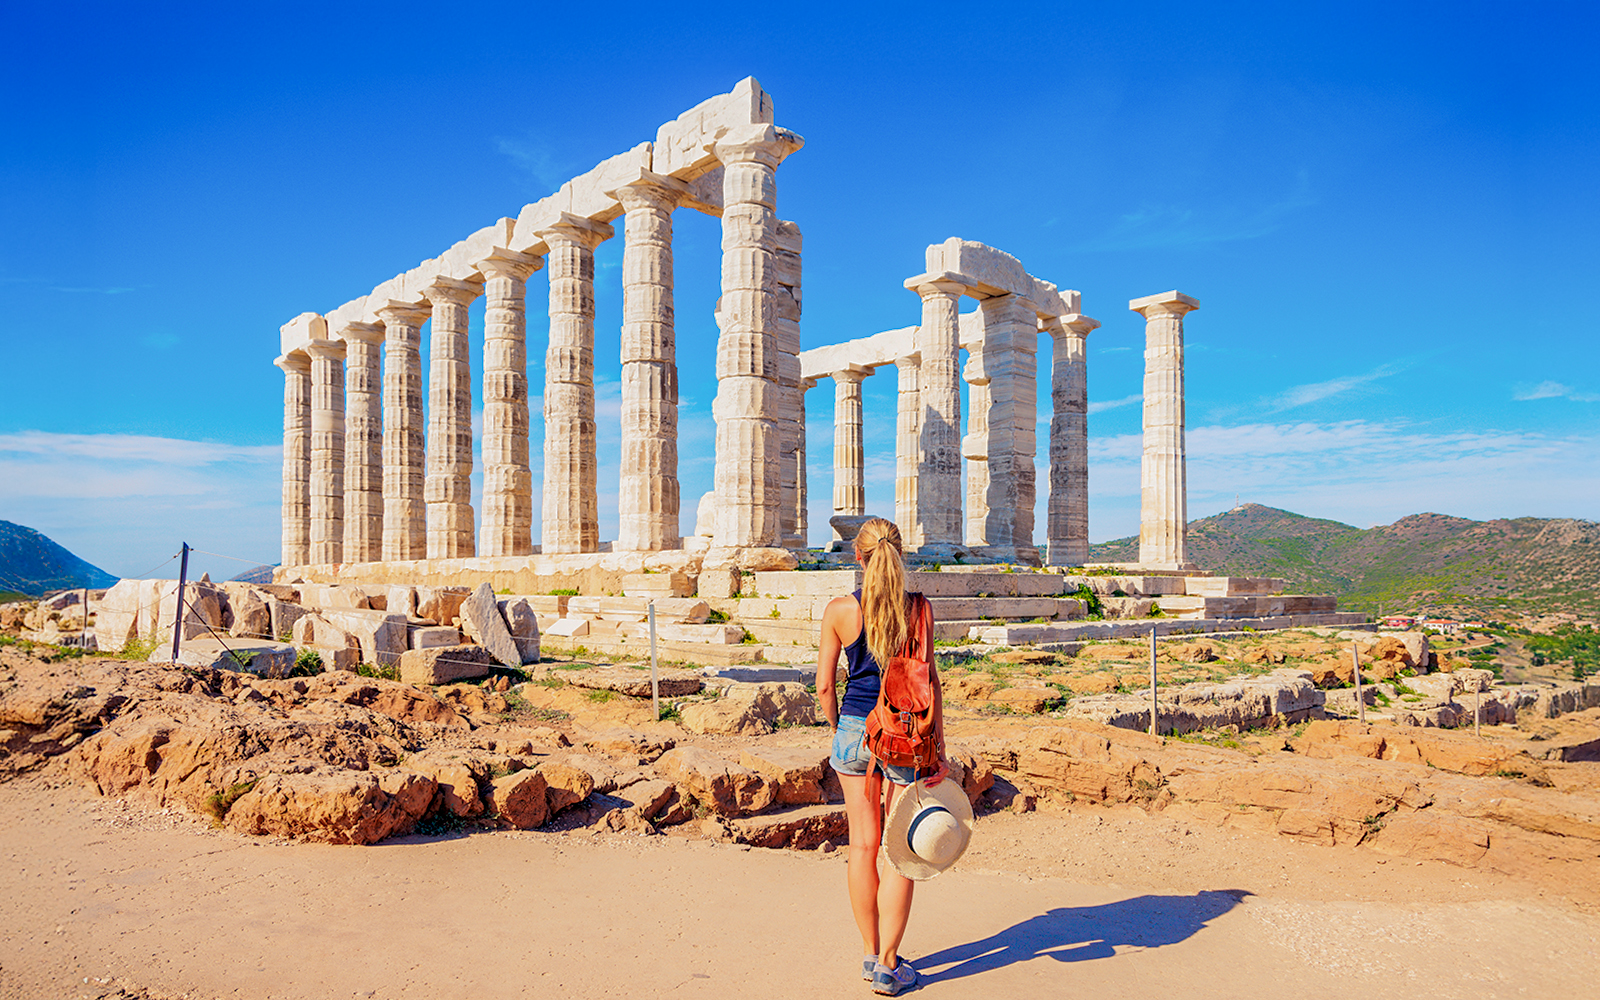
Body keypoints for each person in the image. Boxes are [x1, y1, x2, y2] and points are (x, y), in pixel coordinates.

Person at [815, 517, 948, 996]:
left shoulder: (839, 610)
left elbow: (826, 685)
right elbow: (929, 680)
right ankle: (890, 966)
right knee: (901, 852)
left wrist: (839, 729)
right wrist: (940, 744)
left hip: (855, 730)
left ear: (858, 555)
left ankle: (870, 954)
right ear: (899, 554)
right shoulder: (920, 609)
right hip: (905, 733)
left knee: (862, 846)